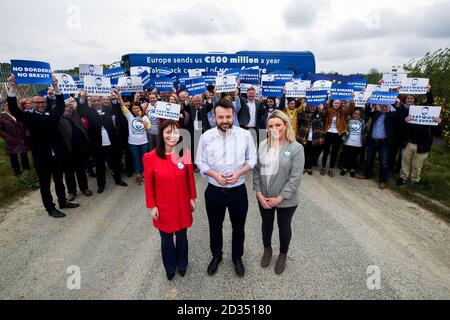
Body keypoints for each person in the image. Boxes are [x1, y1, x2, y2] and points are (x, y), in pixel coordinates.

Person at [196, 98, 257, 278]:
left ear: (233, 115)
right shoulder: (206, 137)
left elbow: (252, 160)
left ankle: (237, 257)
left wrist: (239, 173)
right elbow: (200, 161)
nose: (224, 121)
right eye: (220, 117)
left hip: (238, 191)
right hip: (214, 191)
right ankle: (216, 256)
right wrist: (215, 175)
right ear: (214, 117)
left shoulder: (245, 135)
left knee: (239, 227)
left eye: (228, 117)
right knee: (215, 226)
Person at [7, 75, 79, 218]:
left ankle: (63, 202)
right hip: (41, 157)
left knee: (59, 180)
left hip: (57, 154)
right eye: (37, 102)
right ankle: (50, 208)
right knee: (45, 184)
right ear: (32, 104)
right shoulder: (28, 117)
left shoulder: (51, 115)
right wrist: (12, 87)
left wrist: (56, 86)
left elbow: (60, 105)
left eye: (42, 101)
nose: (40, 104)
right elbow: (14, 108)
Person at [143, 120, 196, 280]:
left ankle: (182, 264)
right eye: (168, 132)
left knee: (182, 238)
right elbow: (148, 185)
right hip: (163, 207)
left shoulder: (184, 153)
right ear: (161, 134)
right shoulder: (150, 157)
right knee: (166, 241)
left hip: (182, 205)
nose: (172, 136)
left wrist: (192, 197)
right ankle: (170, 267)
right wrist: (152, 206)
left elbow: (190, 179)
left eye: (175, 132)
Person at [253, 110, 304, 274]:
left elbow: (295, 178)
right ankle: (267, 249)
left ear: (285, 125)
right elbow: (256, 171)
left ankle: (283, 254)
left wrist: (280, 198)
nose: (274, 128)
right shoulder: (262, 145)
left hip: (286, 200)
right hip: (264, 197)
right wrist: (258, 193)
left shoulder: (296, 148)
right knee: (266, 225)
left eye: (277, 125)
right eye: (270, 126)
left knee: (284, 227)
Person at [77, 90, 128, 193]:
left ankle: (118, 180)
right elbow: (81, 109)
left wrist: (114, 99)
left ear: (101, 101)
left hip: (111, 143)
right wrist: (82, 98)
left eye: (98, 101)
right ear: (91, 102)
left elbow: (116, 109)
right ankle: (101, 185)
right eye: (94, 101)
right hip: (97, 145)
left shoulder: (108, 109)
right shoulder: (89, 111)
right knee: (100, 166)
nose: (96, 103)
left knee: (115, 163)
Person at [397, 91, 442, 186]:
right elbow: (403, 127)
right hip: (409, 142)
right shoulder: (410, 113)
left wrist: (438, 123)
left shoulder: (431, 118)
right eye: (408, 98)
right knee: (405, 162)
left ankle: (415, 180)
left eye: (412, 98)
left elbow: (437, 133)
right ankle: (403, 177)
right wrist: (406, 121)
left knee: (417, 165)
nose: (410, 100)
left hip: (423, 144)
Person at [359, 103, 403, 189]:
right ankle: (367, 175)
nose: (384, 108)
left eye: (386, 106)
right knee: (369, 159)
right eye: (382, 106)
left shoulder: (392, 115)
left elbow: (400, 115)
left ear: (389, 107)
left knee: (384, 162)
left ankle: (383, 181)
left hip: (384, 143)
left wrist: (396, 105)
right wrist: (368, 104)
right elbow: (368, 112)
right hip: (372, 141)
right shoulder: (376, 113)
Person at [58, 97, 93, 201]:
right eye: (65, 107)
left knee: (81, 170)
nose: (67, 109)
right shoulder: (58, 119)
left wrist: (82, 97)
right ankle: (71, 191)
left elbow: (82, 106)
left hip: (80, 150)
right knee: (69, 173)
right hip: (66, 151)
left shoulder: (76, 115)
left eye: (69, 107)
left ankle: (84, 188)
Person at [116, 90, 151, 185]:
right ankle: (138, 175)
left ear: (140, 109)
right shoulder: (129, 116)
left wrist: (140, 119)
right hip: (133, 143)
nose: (136, 110)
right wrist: (119, 95)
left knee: (144, 158)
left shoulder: (145, 117)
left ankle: (144, 173)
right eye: (134, 108)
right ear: (132, 109)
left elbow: (148, 127)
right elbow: (122, 106)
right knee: (135, 158)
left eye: (137, 108)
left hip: (143, 142)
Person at [321, 98, 355, 177]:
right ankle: (323, 167)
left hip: (337, 135)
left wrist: (352, 100)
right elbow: (325, 106)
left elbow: (350, 109)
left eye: (338, 103)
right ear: (332, 104)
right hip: (328, 133)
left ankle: (331, 169)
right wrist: (328, 98)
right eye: (335, 103)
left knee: (334, 152)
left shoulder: (342, 112)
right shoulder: (329, 111)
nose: (336, 104)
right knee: (326, 151)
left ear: (340, 105)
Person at [0, 99, 30, 176]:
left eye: (9, 104)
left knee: (24, 153)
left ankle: (26, 169)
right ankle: (17, 172)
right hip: (11, 138)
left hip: (21, 137)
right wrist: (8, 138)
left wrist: (25, 134)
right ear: (3, 107)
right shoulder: (1, 116)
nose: (8, 106)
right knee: (13, 155)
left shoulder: (15, 113)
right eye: (6, 105)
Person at [296, 103, 326, 175]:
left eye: (314, 106)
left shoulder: (319, 114)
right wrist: (303, 109)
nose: (312, 108)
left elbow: (324, 117)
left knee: (312, 154)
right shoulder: (304, 113)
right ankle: (304, 167)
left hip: (315, 139)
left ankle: (309, 168)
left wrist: (321, 110)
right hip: (304, 138)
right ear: (308, 106)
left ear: (316, 107)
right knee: (304, 154)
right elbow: (299, 119)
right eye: (311, 106)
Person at [340, 108, 367, 177]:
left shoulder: (362, 122)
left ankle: (352, 170)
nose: (356, 115)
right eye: (355, 113)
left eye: (358, 114)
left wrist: (363, 139)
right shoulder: (348, 121)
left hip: (358, 143)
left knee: (354, 157)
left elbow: (365, 132)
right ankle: (344, 169)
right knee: (346, 156)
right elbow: (343, 128)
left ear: (360, 115)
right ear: (353, 114)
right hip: (347, 141)